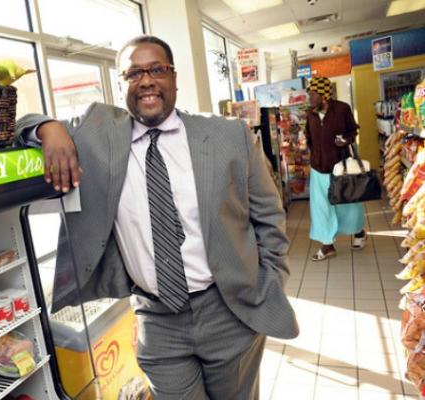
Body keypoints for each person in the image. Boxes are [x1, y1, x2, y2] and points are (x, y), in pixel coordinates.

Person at [16, 35, 298, 399]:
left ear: (174, 77)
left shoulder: (229, 136)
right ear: (120, 85)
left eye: (156, 69)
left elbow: (269, 218)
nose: (146, 80)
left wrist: (270, 283)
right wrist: (48, 128)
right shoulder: (98, 138)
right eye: (133, 73)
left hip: (228, 311)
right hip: (158, 321)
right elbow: (21, 123)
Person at [305, 76, 367, 262]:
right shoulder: (310, 113)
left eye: (313, 94)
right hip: (318, 167)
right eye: (309, 94)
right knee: (321, 207)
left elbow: (353, 130)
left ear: (324, 95)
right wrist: (313, 154)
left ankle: (358, 231)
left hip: (340, 166)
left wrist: (345, 140)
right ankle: (327, 244)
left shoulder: (342, 109)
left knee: (348, 203)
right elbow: (309, 137)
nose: (310, 98)